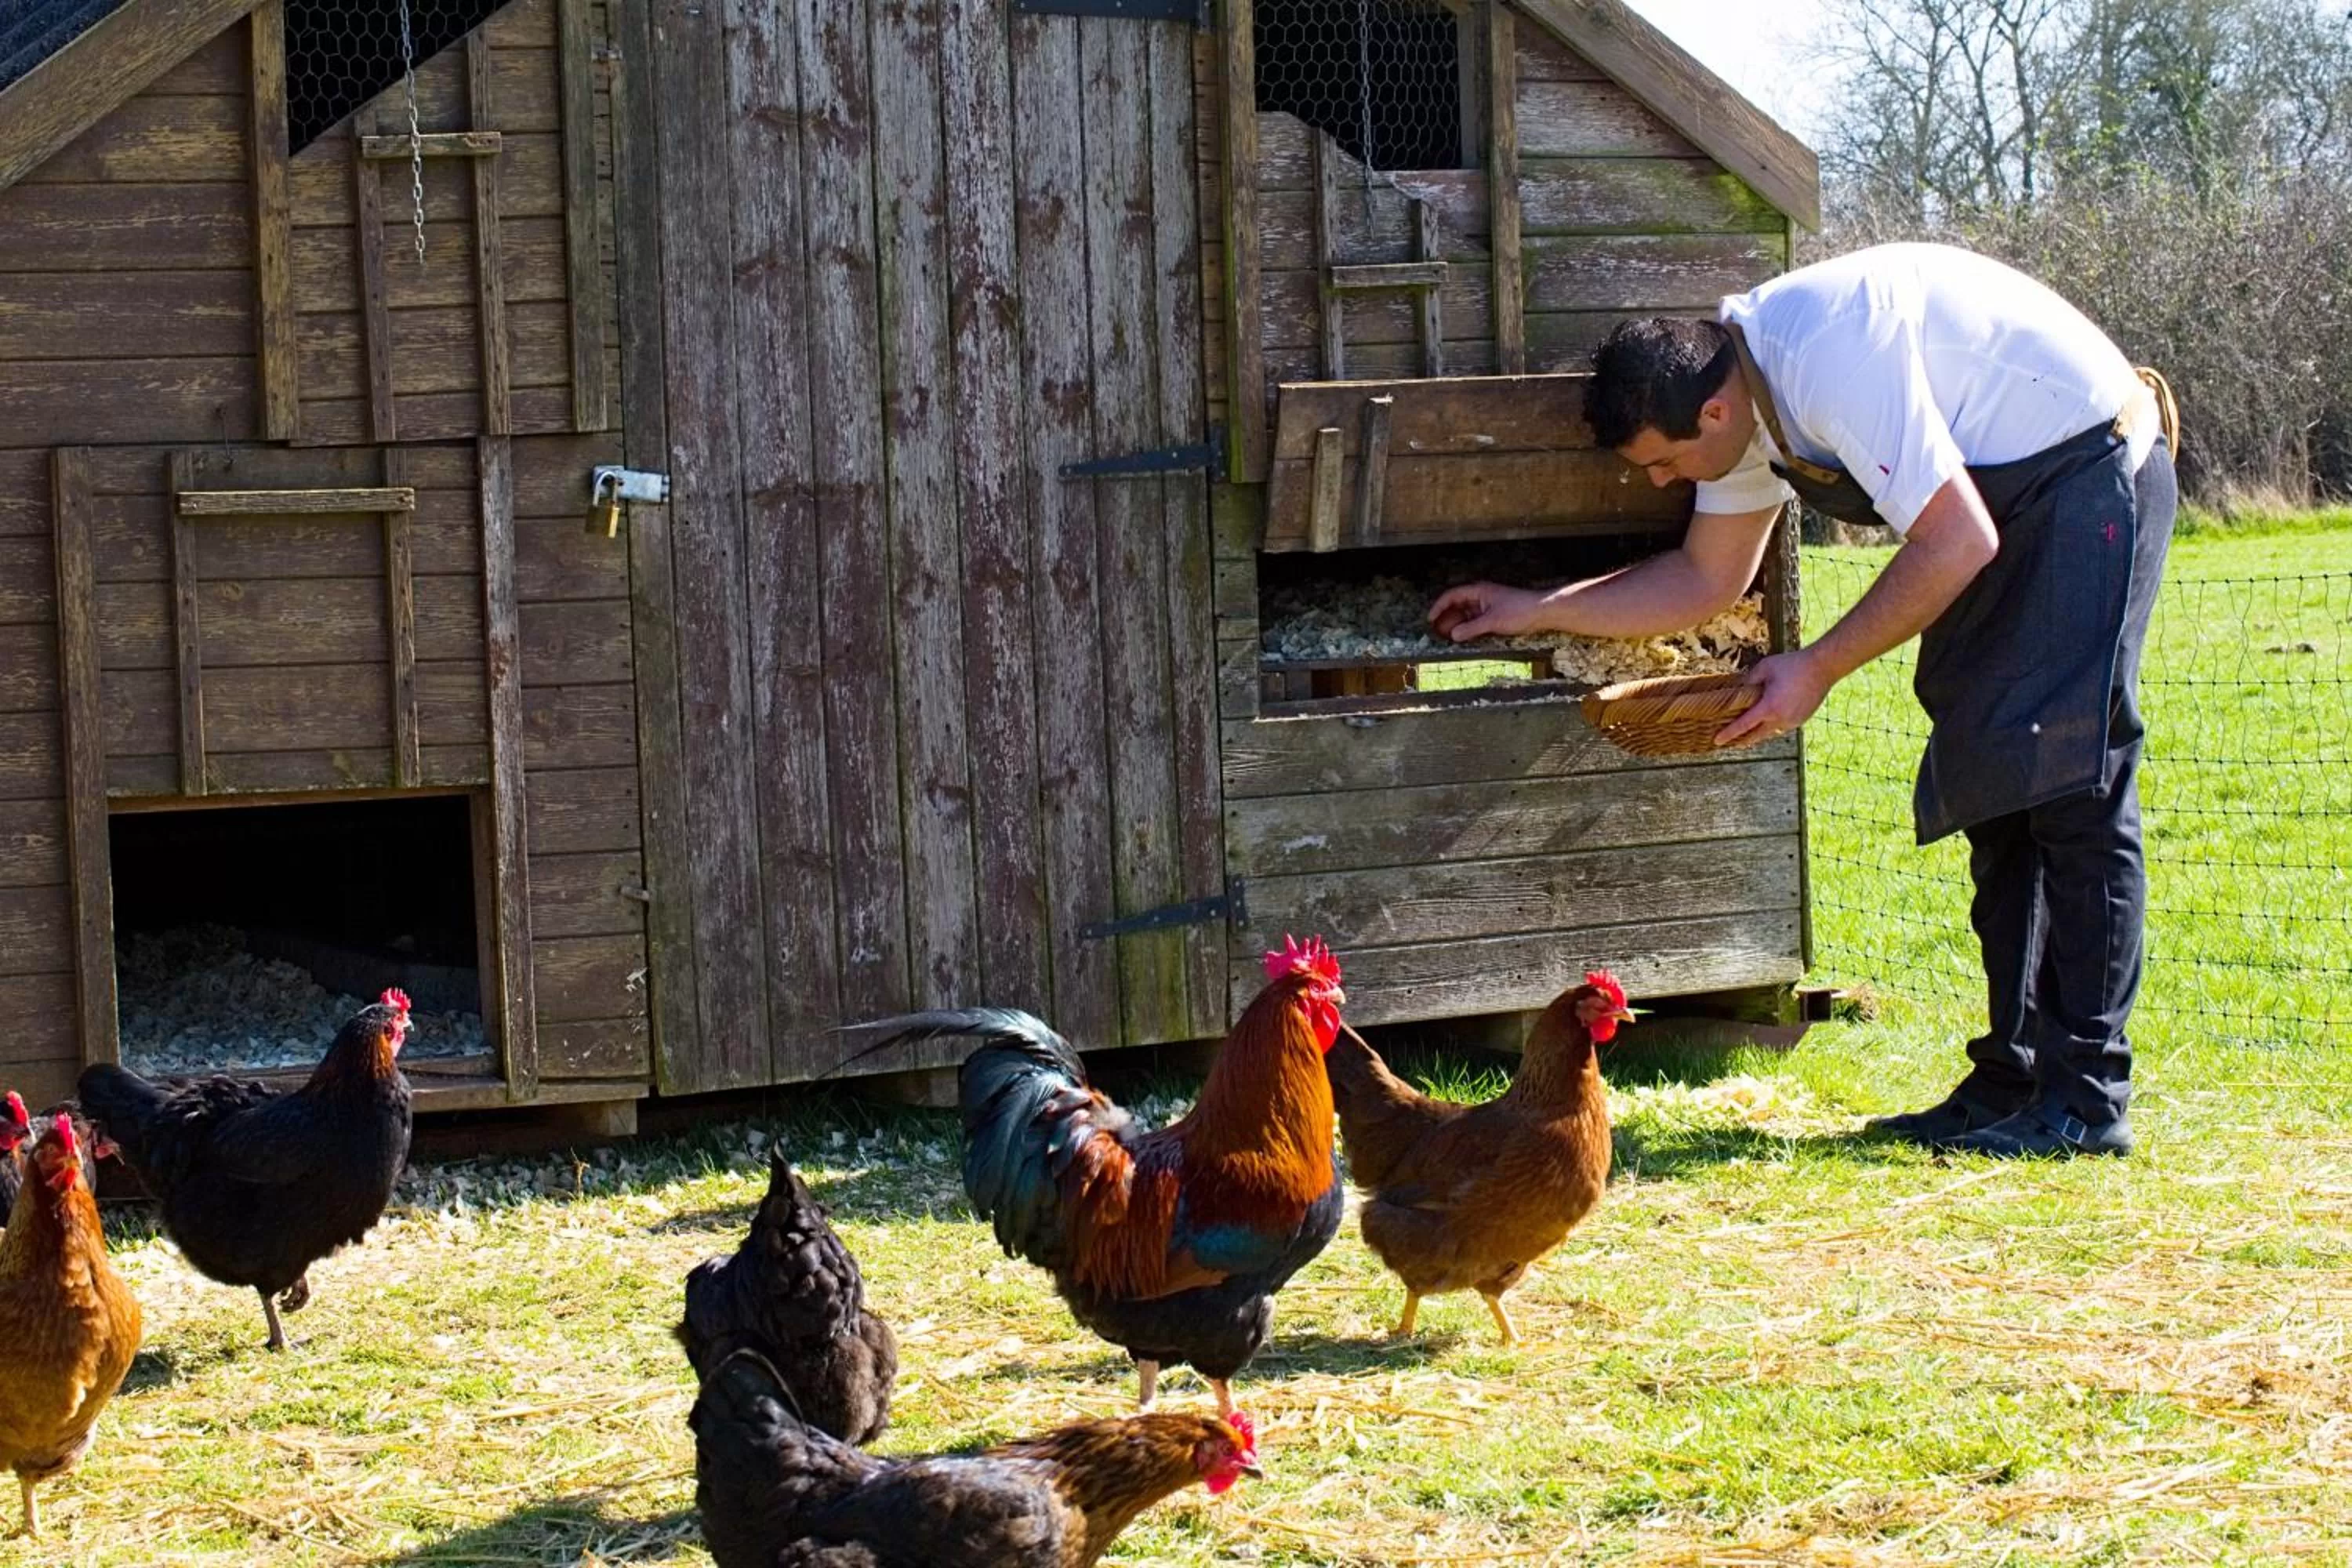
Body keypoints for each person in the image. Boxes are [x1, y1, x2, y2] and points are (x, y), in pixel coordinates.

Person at [1428, 241, 2176, 1159]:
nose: (1663, 484)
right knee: (1998, 784)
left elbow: (1955, 540)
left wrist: (1816, 665)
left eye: (1665, 463)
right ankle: (2012, 1077)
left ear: (1710, 411)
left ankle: (2088, 1097)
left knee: (2070, 786)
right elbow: (1704, 578)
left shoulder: (1830, 353)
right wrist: (1531, 610)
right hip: (2003, 512)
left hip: (2087, 476)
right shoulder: (1746, 405)